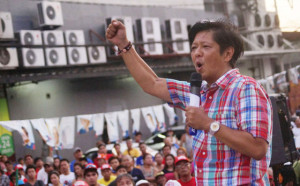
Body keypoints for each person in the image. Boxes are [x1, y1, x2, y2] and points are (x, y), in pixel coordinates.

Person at [106, 19, 273, 185]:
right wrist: (124, 45)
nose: (197, 53)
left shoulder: (245, 88)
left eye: (205, 47)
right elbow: (152, 84)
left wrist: (209, 124)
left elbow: (258, 148)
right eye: (194, 47)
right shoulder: (197, 91)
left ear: (227, 54)